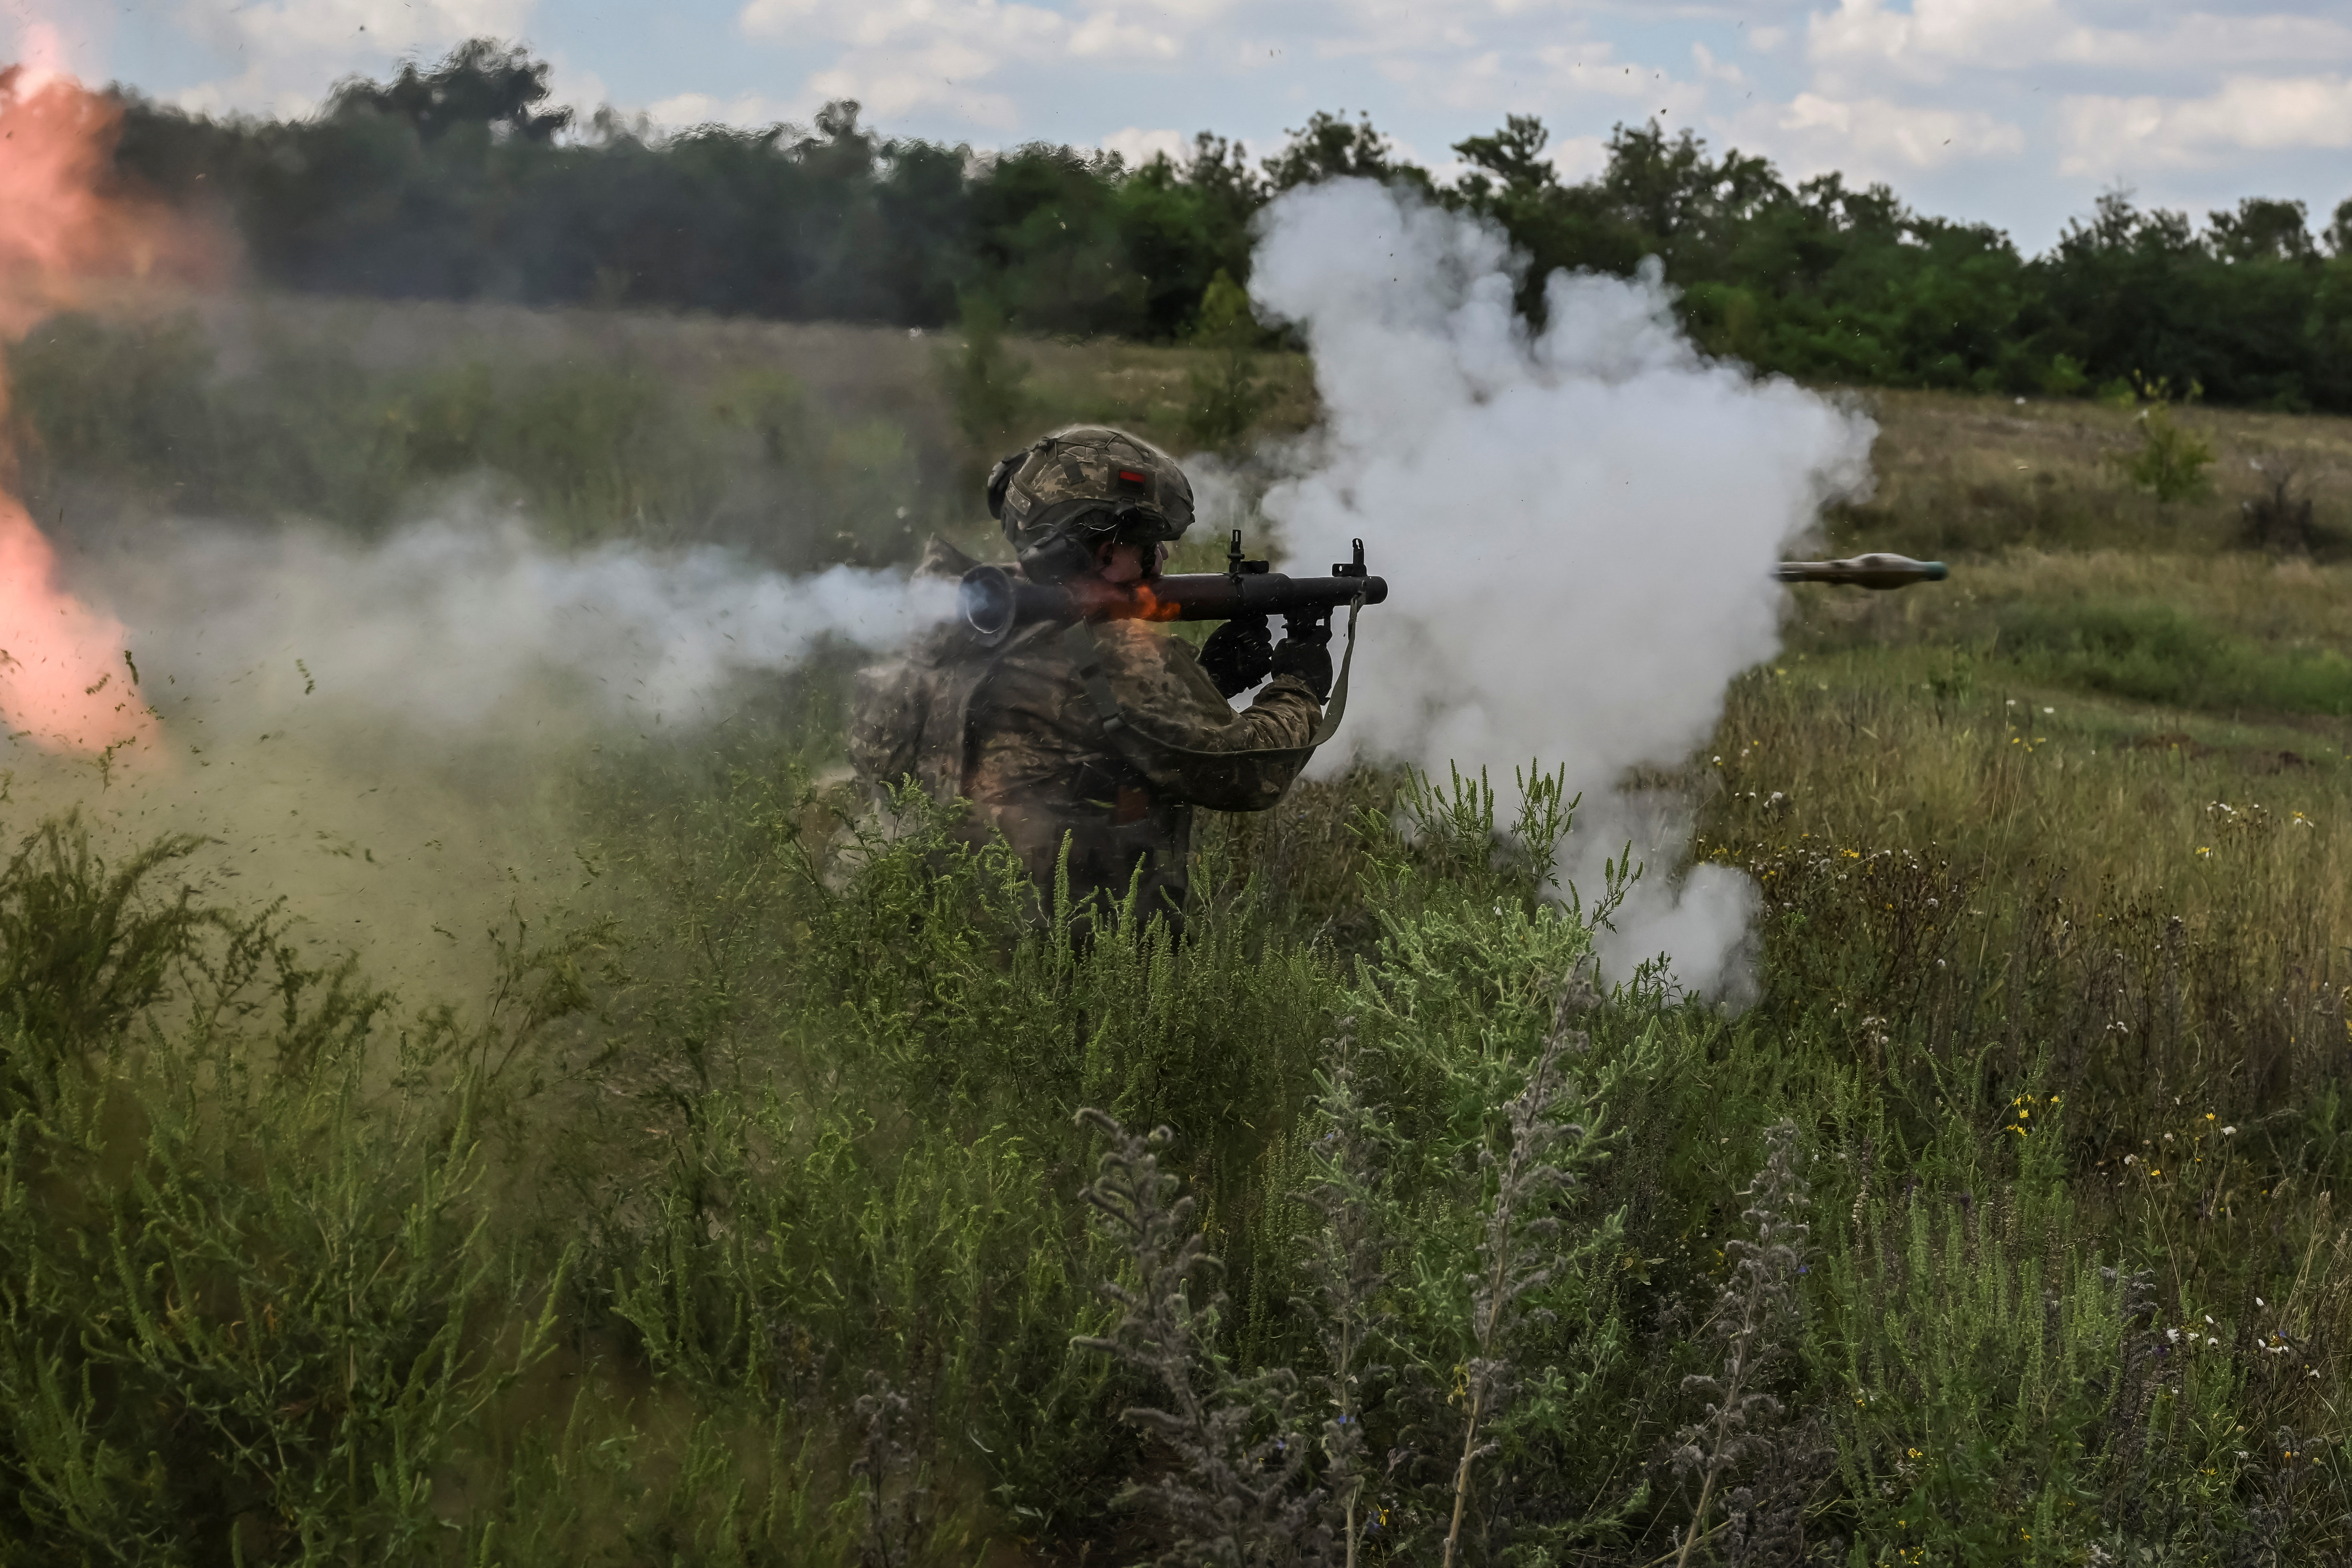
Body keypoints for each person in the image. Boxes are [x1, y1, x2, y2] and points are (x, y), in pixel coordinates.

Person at [848, 425, 1332, 934]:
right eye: (1149, 545)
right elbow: (1251, 772)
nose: (1162, 560)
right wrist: (1298, 685)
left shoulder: (957, 618)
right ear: (1104, 553)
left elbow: (1068, 728)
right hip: (1058, 960)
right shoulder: (1116, 654)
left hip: (928, 935)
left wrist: (1207, 680)